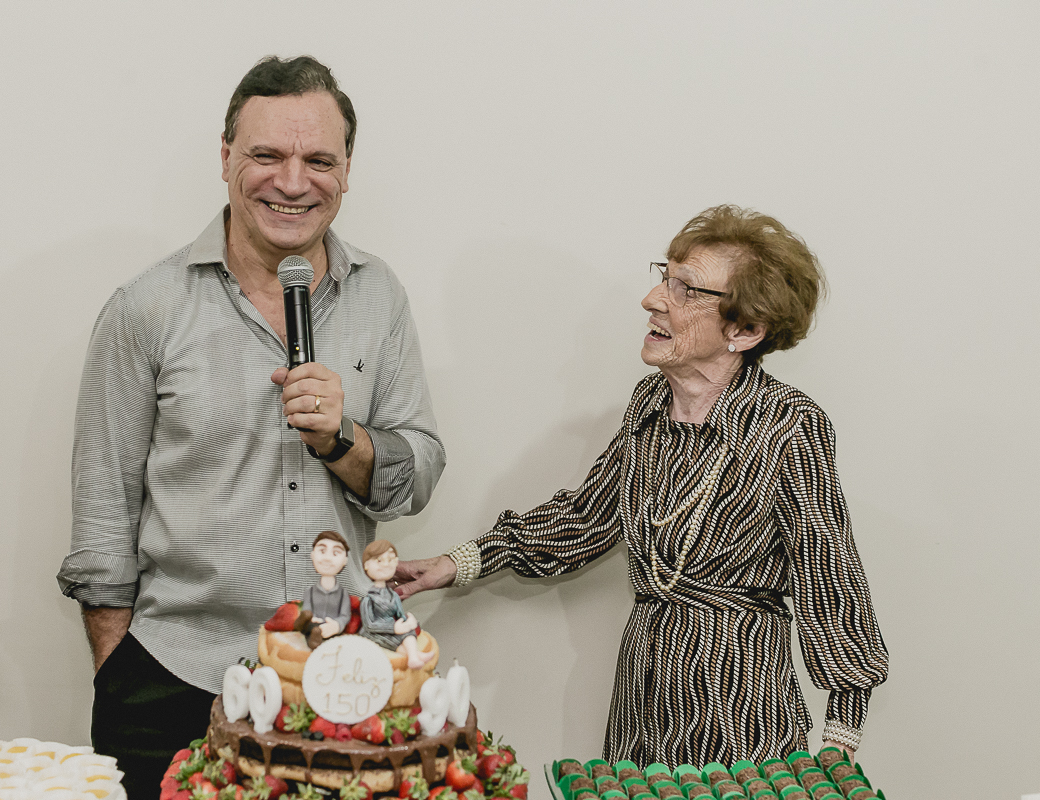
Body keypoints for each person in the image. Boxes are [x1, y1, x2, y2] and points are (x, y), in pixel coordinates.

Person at [56, 56, 444, 799]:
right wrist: (118, 672)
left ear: (347, 171)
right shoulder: (146, 307)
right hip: (176, 677)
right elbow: (103, 513)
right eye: (267, 154)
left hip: (340, 679)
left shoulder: (380, 296)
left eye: (318, 160)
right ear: (226, 156)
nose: (293, 182)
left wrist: (342, 439)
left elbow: (416, 473)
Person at [394, 205, 888, 766]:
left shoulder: (789, 425)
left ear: (745, 330)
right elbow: (587, 518)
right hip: (642, 700)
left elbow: (831, 578)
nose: (653, 299)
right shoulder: (649, 404)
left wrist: (838, 745)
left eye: (687, 289)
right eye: (664, 277)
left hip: (742, 709)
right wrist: (458, 562)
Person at [358, 539, 427, 669]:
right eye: (379, 561)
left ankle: (414, 656)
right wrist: (393, 628)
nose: (386, 565)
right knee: (393, 640)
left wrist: (409, 622)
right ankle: (414, 656)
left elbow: (400, 615)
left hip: (394, 628)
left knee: (408, 634)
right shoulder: (368, 599)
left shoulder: (394, 595)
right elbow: (369, 624)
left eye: (390, 560)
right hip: (374, 633)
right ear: (367, 565)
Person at [300, 530, 353, 648]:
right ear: (312, 555)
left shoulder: (343, 593)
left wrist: (337, 625)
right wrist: (312, 618)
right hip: (313, 626)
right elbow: (307, 609)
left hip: (334, 631)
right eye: (322, 551)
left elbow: (345, 615)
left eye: (335, 553)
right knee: (310, 626)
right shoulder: (310, 591)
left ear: (345, 560)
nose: (327, 558)